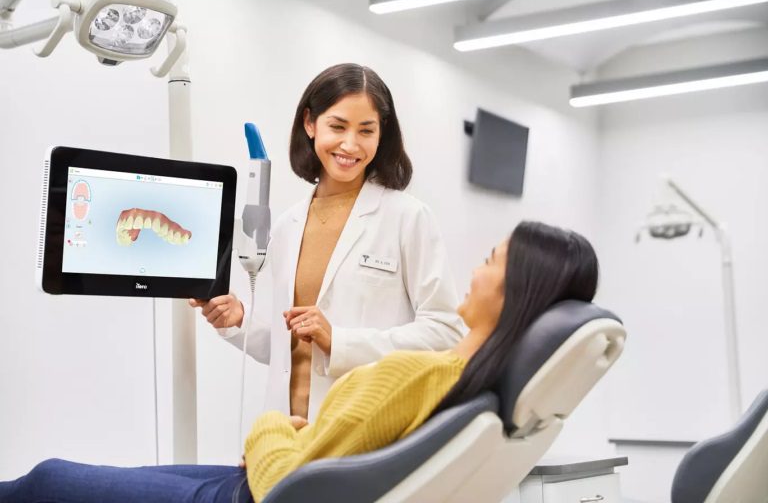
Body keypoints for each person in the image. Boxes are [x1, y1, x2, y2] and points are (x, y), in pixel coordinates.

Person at [0, 221, 600, 503]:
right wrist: (243, 326)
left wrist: (270, 432)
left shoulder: (416, 374)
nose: (476, 267)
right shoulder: (469, 386)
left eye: (491, 259)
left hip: (259, 488)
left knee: (48, 480)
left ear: (517, 288)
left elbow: (288, 487)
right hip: (277, 468)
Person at [190, 63, 465, 420]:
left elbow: (446, 333)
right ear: (310, 123)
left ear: (382, 136)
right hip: (288, 434)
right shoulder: (289, 225)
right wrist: (239, 320)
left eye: (366, 131)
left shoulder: (407, 218)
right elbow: (290, 350)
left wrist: (340, 341)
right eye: (337, 126)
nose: (350, 144)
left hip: (361, 432)